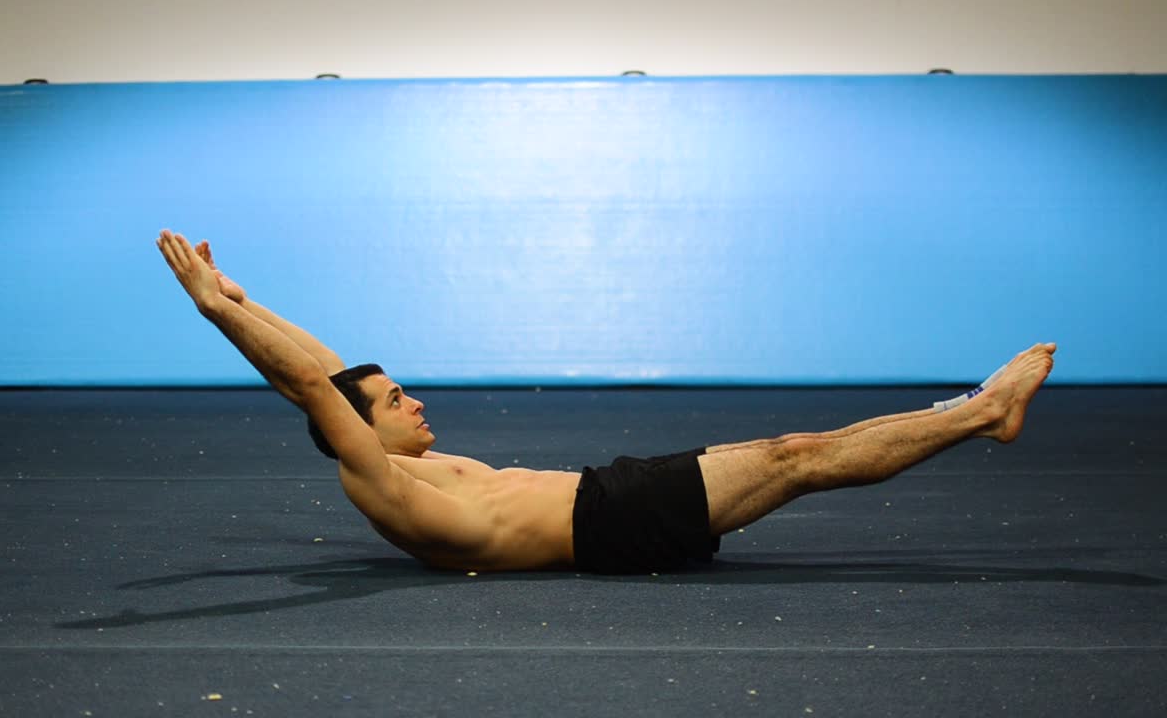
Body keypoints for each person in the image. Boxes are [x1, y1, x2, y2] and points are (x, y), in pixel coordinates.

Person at [156, 229, 1056, 575]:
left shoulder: (389, 455)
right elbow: (316, 387)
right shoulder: (383, 487)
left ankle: (973, 409)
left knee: (798, 451)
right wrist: (211, 314)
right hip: (614, 520)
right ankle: (983, 411)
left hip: (609, 496)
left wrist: (237, 301)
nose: (416, 402)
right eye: (397, 401)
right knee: (799, 456)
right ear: (360, 429)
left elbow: (318, 370)